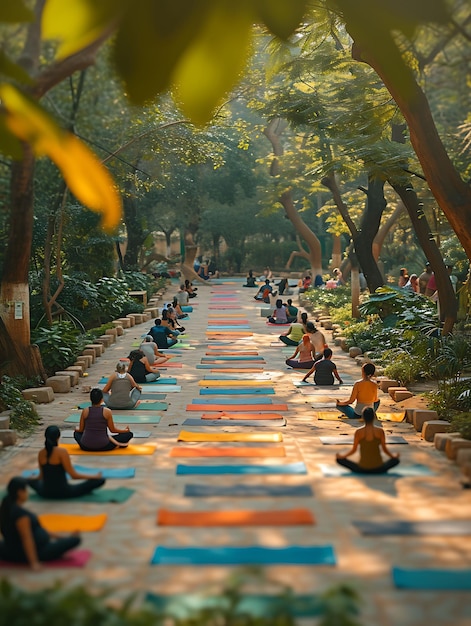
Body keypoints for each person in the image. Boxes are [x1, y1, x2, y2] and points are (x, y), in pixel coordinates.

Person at [0, 477, 81, 569]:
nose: (28, 494)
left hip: (11, 548)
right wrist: (34, 563)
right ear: (19, 492)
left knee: (69, 539)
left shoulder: (7, 505)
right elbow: (26, 538)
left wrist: (61, 537)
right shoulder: (20, 515)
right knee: (75, 540)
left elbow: (39, 530)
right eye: (26, 491)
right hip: (36, 551)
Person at [27, 426, 105, 499]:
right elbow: (74, 475)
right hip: (64, 492)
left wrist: (32, 478)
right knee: (100, 480)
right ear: (58, 437)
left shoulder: (41, 453)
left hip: (45, 492)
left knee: (29, 480)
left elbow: (41, 476)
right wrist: (94, 476)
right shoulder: (62, 452)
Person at [335, 408, 400, 474]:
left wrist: (342, 457)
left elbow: (353, 450)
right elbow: (384, 449)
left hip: (362, 468)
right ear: (374, 417)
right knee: (396, 460)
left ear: (363, 417)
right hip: (379, 468)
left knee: (339, 460)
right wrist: (394, 457)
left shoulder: (358, 432)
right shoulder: (380, 431)